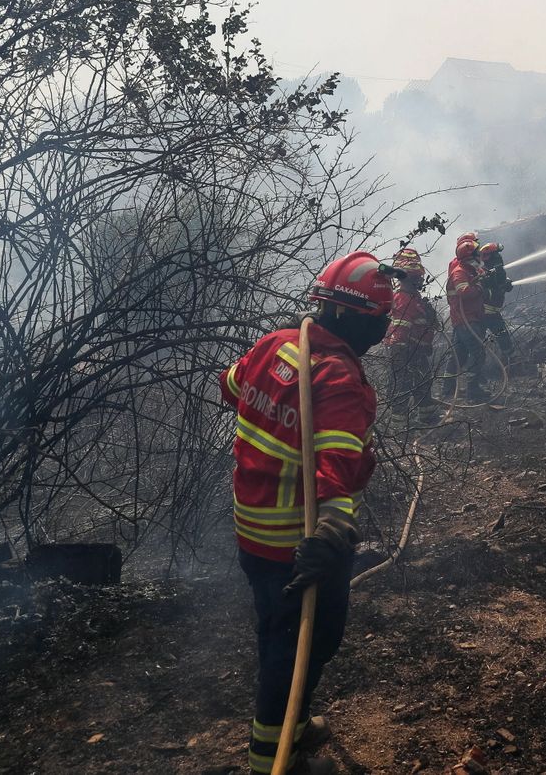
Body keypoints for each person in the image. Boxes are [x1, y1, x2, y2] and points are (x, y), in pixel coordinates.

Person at [222, 251, 394, 775]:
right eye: (378, 321)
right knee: (298, 650)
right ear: (352, 317)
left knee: (277, 633)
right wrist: (331, 535)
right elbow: (335, 472)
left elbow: (232, 384)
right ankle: (274, 760)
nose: (383, 331)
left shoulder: (276, 346)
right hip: (297, 544)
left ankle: (295, 727)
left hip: (252, 530)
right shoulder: (339, 380)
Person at [384, 247, 440, 420]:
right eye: (415, 277)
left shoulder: (415, 298)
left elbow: (429, 326)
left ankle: (427, 415)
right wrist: (400, 353)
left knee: (423, 382)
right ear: (406, 278)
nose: (420, 280)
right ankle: (398, 423)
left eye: (419, 277)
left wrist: (431, 317)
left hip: (417, 350)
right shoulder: (402, 298)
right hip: (404, 351)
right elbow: (400, 329)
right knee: (402, 385)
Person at [445, 233, 487, 400]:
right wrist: (481, 288)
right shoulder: (460, 273)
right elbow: (464, 292)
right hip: (465, 320)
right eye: (477, 253)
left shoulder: (470, 270)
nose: (480, 256)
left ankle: (448, 390)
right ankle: (473, 389)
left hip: (467, 319)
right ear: (470, 256)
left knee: (459, 357)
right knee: (478, 354)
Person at [476, 241, 514, 366]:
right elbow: (483, 291)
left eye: (499, 256)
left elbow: (501, 281)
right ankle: (478, 373)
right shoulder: (482, 273)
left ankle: (507, 367)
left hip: (493, 313)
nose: (499, 258)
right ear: (488, 257)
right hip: (484, 314)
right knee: (479, 343)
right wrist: (499, 288)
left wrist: (506, 284)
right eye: (496, 256)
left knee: (504, 340)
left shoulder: (497, 272)